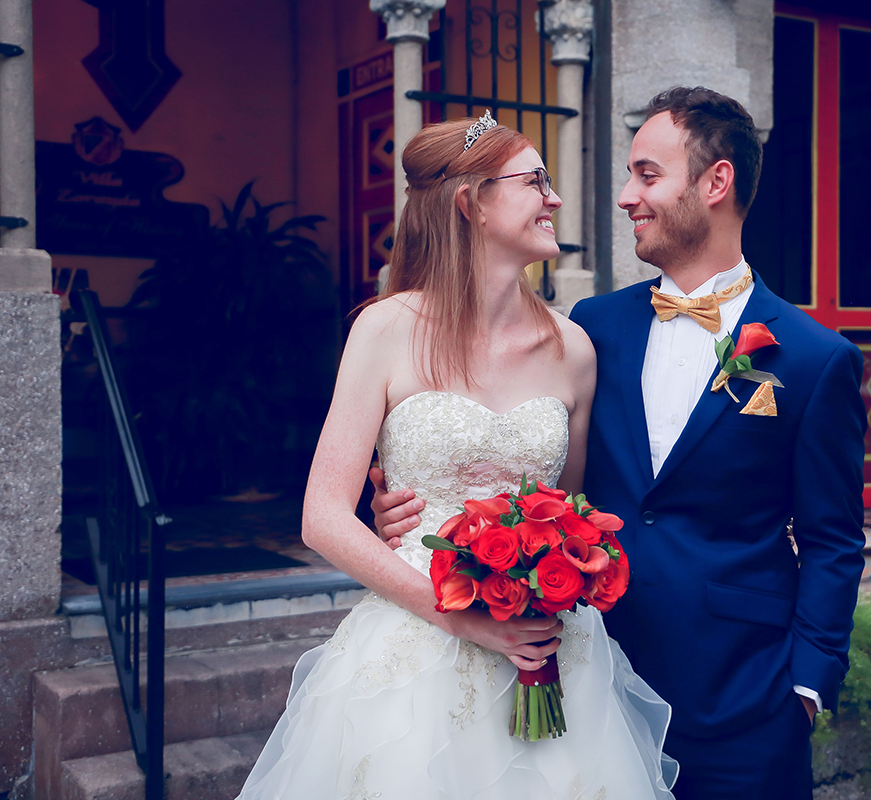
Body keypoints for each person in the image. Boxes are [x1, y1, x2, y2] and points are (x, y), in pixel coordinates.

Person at [373, 87, 867, 800]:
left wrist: (807, 688)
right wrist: (400, 508)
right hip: (588, 678)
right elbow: (530, 472)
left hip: (742, 700)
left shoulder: (815, 359)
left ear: (715, 182)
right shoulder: (589, 328)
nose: (625, 196)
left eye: (646, 174)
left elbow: (832, 539)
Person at [237, 113, 677, 800]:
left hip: (549, 648)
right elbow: (322, 516)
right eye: (535, 182)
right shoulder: (385, 329)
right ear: (470, 204)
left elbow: (567, 511)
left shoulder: (574, 352)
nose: (554, 199)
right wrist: (459, 616)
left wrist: (554, 573)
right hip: (418, 646)